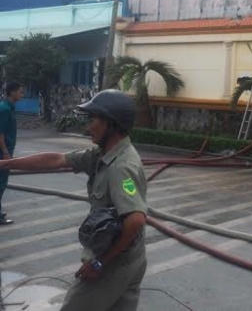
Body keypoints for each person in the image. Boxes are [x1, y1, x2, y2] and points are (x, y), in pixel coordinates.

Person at [0, 89, 148, 310]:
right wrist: (5, 164)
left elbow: (135, 220)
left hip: (114, 263)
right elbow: (57, 159)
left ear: (111, 124)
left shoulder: (121, 166)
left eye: (93, 120)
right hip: (131, 258)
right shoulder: (104, 154)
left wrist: (100, 263)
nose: (88, 127)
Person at [0, 82, 24, 226]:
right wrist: (5, 153)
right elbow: (0, 133)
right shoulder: (4, 109)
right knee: (1, 183)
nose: (22, 95)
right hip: (3, 153)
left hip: (6, 151)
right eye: (20, 92)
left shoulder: (9, 108)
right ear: (12, 92)